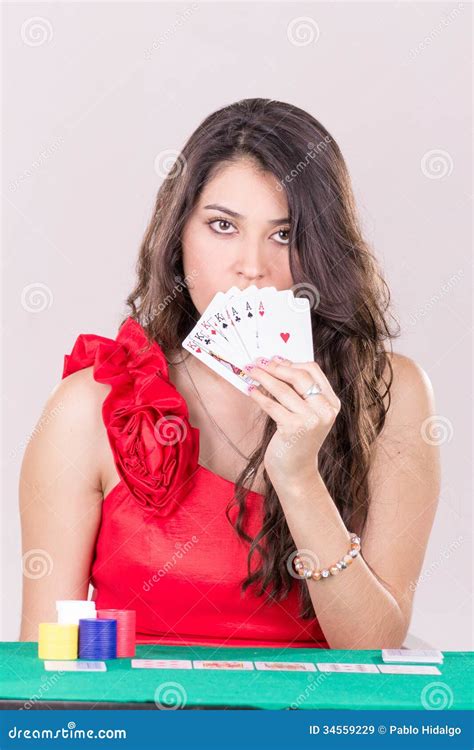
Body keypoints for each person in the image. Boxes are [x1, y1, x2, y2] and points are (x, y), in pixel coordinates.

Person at [19, 98, 440, 649]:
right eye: (223, 226)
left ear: (324, 251)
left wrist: (298, 478)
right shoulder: (88, 407)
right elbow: (42, 667)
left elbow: (375, 648)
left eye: (284, 235)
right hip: (140, 729)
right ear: (179, 238)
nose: (252, 266)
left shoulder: (389, 393)